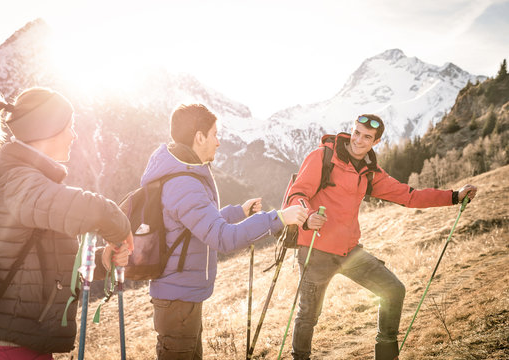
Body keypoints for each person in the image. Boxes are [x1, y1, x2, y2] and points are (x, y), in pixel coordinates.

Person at [286, 114, 478, 360]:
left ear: (375, 142)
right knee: (308, 316)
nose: (358, 140)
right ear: (351, 131)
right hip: (316, 250)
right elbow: (298, 194)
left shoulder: (370, 173)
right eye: (356, 133)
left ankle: (387, 355)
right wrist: (308, 217)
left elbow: (409, 196)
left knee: (393, 290)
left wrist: (453, 196)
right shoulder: (322, 157)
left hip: (349, 252)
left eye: (367, 137)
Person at [0, 87, 133, 359]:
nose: (74, 135)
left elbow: (43, 268)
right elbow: (86, 209)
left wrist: (102, 262)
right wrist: (120, 225)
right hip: (10, 347)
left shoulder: (23, 180)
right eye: (70, 126)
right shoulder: (21, 182)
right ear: (47, 130)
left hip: (20, 339)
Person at [141, 103, 308, 359]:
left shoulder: (183, 176)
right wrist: (278, 218)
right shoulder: (185, 183)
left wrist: (238, 212)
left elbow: (198, 226)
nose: (218, 142)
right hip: (178, 303)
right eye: (215, 134)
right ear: (199, 137)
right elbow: (222, 238)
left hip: (181, 298)